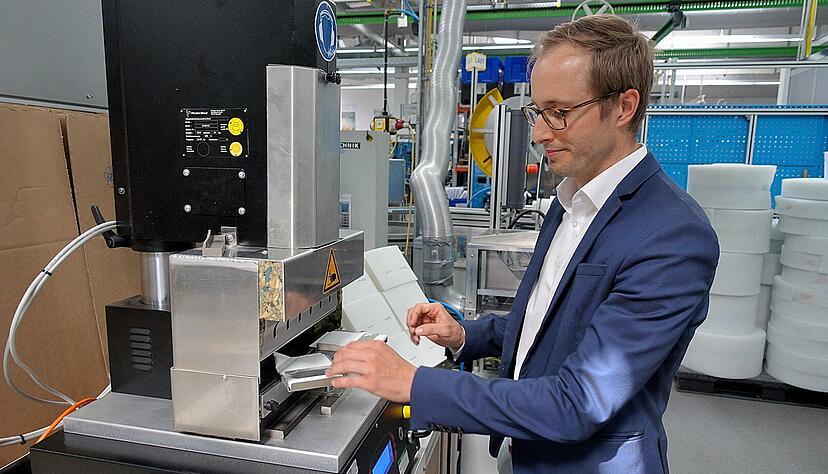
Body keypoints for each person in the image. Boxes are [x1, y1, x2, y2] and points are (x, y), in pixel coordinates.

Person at [327, 14, 719, 473]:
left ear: (624, 106)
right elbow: (549, 323)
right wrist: (467, 336)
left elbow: (579, 402)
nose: (538, 132)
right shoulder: (571, 200)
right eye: (537, 111)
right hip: (525, 452)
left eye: (560, 112)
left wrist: (414, 383)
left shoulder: (672, 235)